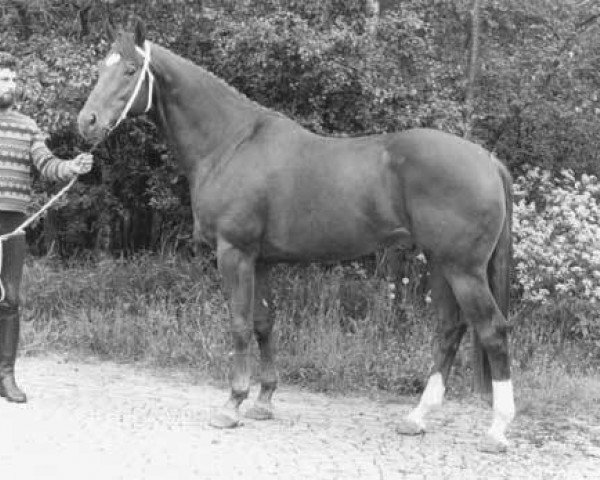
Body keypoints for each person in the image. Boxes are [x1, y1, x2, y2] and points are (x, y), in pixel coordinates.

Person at [0, 51, 93, 403]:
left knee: (9, 299)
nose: (8, 84)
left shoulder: (28, 126)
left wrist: (72, 166)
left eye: (11, 79)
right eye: (2, 78)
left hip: (13, 223)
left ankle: (6, 377)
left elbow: (48, 165)